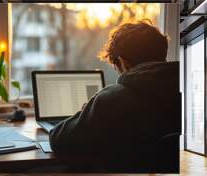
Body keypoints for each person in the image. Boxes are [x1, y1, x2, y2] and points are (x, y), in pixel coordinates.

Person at [49, 21, 180, 162]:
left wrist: (85, 112)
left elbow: (58, 141)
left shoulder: (111, 101)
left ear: (123, 62)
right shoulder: (187, 92)